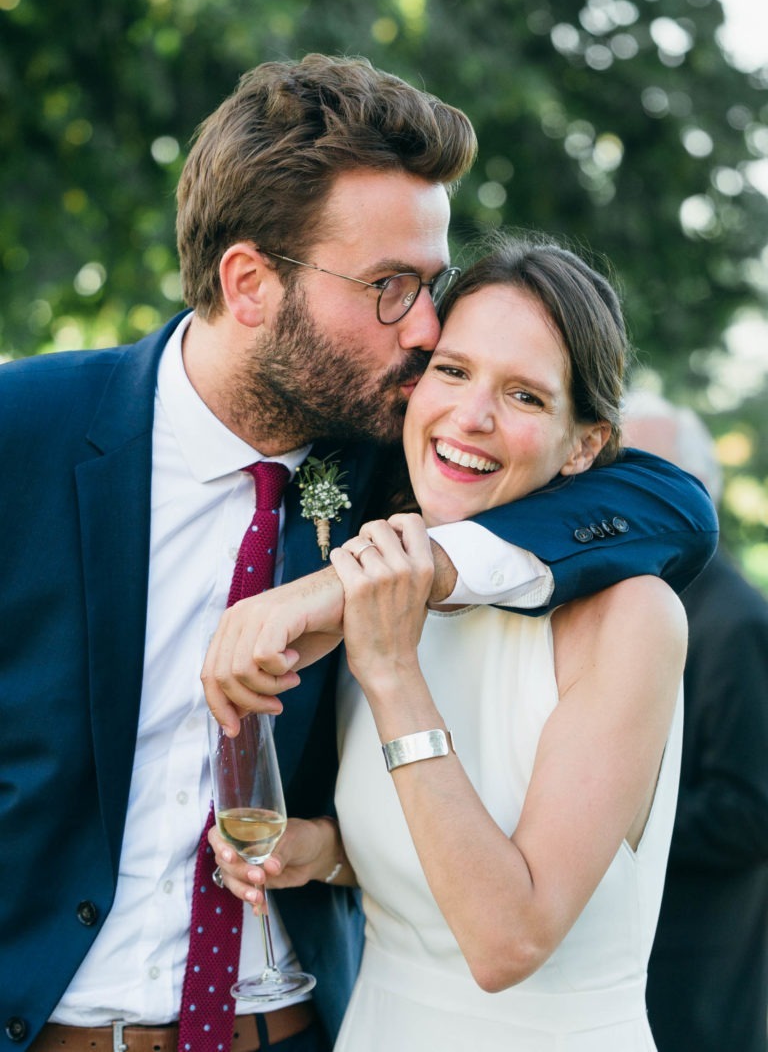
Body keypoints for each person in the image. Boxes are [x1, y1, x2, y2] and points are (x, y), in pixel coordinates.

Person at [0, 54, 717, 1052]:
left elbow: (671, 504)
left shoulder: (398, 457)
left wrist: (330, 592)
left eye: (431, 283)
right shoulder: (23, 432)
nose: (427, 330)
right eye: (391, 286)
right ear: (249, 282)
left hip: (296, 1027)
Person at [210, 235, 689, 1051]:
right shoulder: (387, 570)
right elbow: (424, 854)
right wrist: (319, 852)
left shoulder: (630, 618)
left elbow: (507, 939)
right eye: (455, 370)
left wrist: (393, 675)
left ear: (584, 446)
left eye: (527, 396)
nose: (472, 416)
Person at [624, 392, 768, 1052]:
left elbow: (749, 810)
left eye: (654, 475)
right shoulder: (639, 597)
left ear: (701, 490)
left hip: (698, 973)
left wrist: (608, 824)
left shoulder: (733, 619)